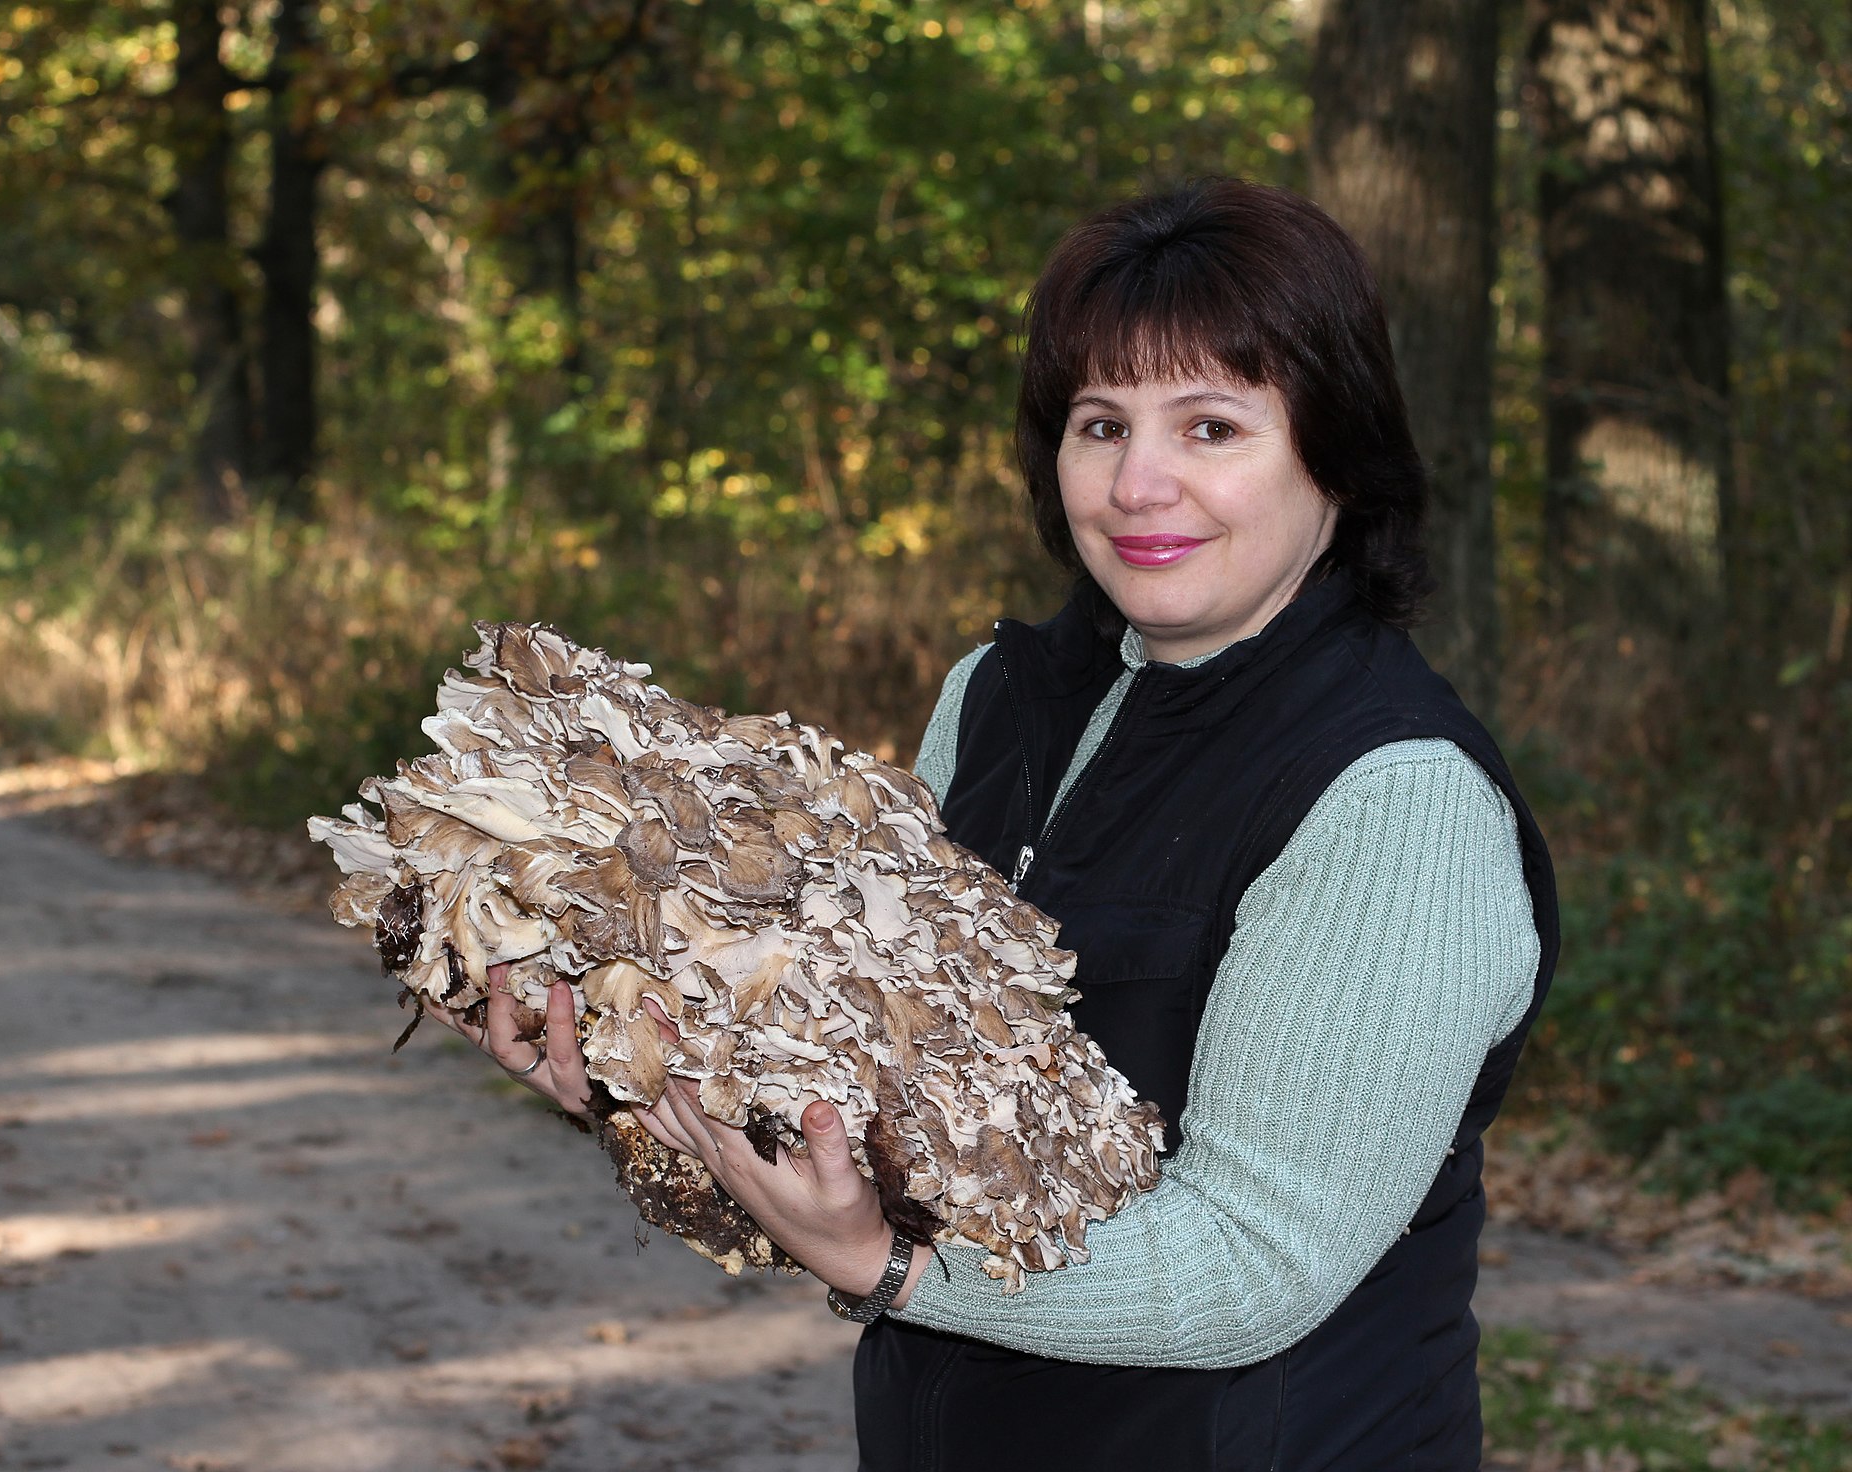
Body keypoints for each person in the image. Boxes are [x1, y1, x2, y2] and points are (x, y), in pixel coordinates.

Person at [436, 177, 1559, 1470]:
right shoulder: (1002, 699)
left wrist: (883, 1264)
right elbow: (875, 1106)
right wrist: (643, 1088)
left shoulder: (1392, 796)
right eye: (1100, 423)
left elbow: (1258, 1261)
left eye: (1209, 426)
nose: (1141, 482)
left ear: (1337, 452)